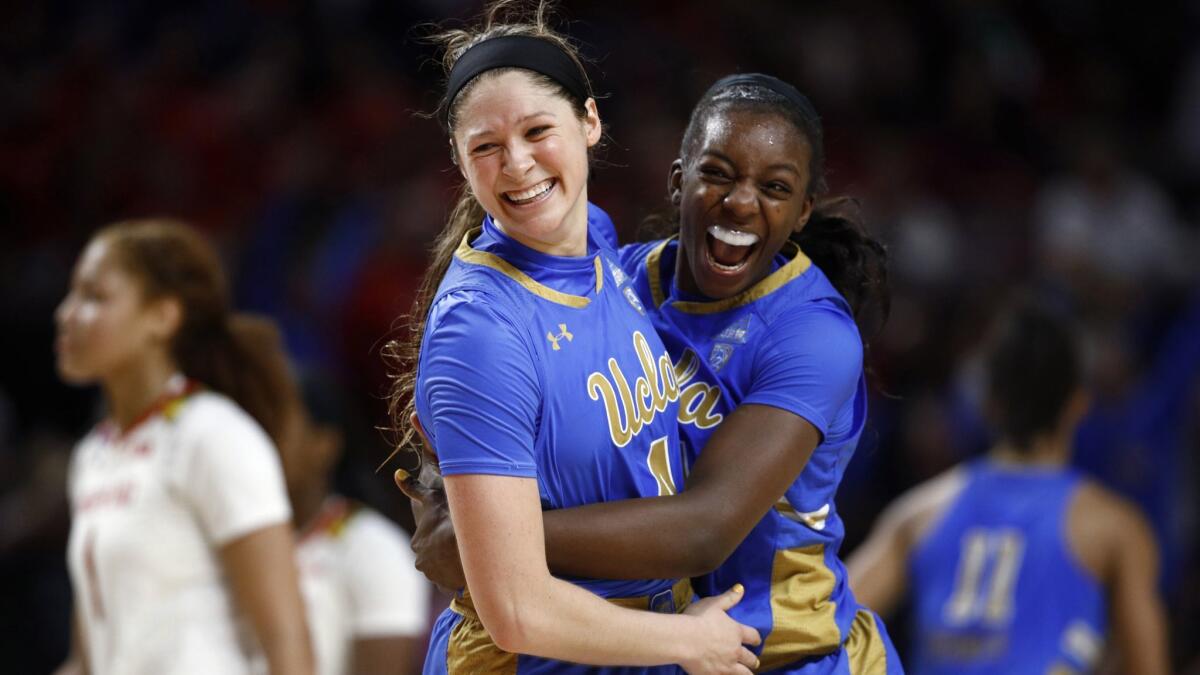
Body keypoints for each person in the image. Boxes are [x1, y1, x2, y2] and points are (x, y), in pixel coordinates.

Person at [400, 72, 904, 673]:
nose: (741, 201)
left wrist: (485, 543)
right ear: (677, 181)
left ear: (801, 213)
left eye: (773, 187)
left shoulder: (813, 332)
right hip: (665, 648)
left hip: (787, 652)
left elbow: (705, 529)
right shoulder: (616, 280)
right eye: (717, 173)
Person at [384, 1, 760, 673]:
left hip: (626, 646)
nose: (518, 164)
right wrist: (688, 641)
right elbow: (516, 607)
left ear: (589, 120)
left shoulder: (598, 244)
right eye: (486, 147)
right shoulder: (481, 330)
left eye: (536, 130)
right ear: (460, 161)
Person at [845, 300, 1170, 674]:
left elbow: (827, 624)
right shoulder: (1114, 527)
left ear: (989, 401)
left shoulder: (920, 513)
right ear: (1078, 403)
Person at [52, 219, 314, 675]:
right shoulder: (93, 455)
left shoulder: (214, 436)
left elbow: (285, 635)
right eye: (72, 294)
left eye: (94, 297)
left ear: (162, 317)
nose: (66, 313)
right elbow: (92, 655)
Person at [274, 370, 431, 675]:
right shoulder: (242, 542)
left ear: (324, 445)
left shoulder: (372, 549)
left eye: (276, 427)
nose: (259, 441)